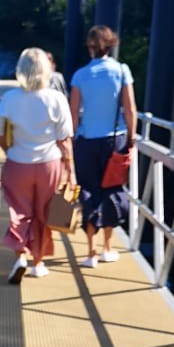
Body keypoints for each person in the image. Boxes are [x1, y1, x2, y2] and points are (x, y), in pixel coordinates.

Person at [0, 47, 74, 285]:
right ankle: (38, 263)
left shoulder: (10, 98)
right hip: (49, 163)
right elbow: (65, 139)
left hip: (18, 162)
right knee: (44, 213)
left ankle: (21, 255)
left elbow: (0, 135)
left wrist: (11, 151)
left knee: (19, 212)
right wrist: (70, 170)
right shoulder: (56, 98)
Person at [69, 25, 137, 267]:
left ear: (90, 47)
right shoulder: (121, 71)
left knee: (88, 191)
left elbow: (73, 113)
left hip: (86, 142)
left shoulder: (80, 76)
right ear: (111, 45)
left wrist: (71, 140)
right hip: (114, 140)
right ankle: (108, 248)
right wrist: (132, 136)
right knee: (111, 190)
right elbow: (129, 109)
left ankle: (90, 252)